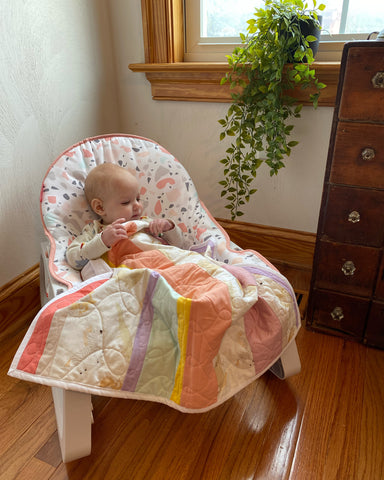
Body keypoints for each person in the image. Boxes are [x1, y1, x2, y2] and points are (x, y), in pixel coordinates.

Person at [66, 163, 183, 271]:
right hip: (134, 272)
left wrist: (168, 227)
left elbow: (179, 245)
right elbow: (73, 259)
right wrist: (102, 241)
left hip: (164, 264)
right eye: (126, 202)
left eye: (137, 199)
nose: (137, 205)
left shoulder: (146, 224)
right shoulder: (95, 230)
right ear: (100, 208)